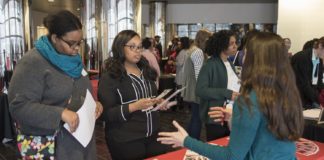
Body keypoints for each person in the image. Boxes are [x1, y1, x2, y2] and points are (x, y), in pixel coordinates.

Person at [157, 32, 304, 160]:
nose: (241, 55)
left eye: (246, 53)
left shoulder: (249, 99)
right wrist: (236, 116)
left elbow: (232, 156)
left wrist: (186, 141)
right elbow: (267, 126)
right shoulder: (287, 91)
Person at [8, 10, 102, 159]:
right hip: (51, 146)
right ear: (55, 38)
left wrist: (95, 104)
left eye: (80, 42)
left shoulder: (75, 61)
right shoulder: (32, 62)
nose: (77, 48)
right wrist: (60, 113)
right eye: (72, 43)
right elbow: (18, 106)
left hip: (81, 142)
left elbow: (82, 92)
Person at [98, 30, 170, 160]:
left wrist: (158, 102)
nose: (137, 51)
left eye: (139, 47)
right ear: (120, 47)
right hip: (125, 138)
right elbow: (105, 114)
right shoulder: (110, 76)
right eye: (132, 47)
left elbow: (150, 98)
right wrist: (134, 106)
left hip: (153, 134)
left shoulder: (146, 70)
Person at [195, 30, 239, 141]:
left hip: (230, 115)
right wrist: (227, 93)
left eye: (235, 43)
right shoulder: (210, 65)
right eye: (231, 43)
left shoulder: (229, 63)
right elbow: (200, 90)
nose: (235, 46)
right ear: (222, 46)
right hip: (216, 117)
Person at [182, 29, 212, 140]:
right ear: (204, 40)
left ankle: (189, 141)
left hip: (192, 88)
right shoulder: (198, 52)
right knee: (197, 118)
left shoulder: (192, 50)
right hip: (197, 89)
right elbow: (199, 75)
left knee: (195, 117)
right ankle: (193, 143)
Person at [291, 37, 324, 109]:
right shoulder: (302, 58)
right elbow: (303, 84)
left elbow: (319, 83)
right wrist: (319, 100)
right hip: (298, 99)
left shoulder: (319, 60)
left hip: (309, 99)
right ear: (320, 46)